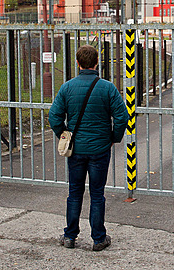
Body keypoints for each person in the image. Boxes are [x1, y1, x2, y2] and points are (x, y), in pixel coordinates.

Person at [49, 44, 128, 251]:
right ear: (97, 62)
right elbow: (122, 117)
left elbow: (54, 116)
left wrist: (65, 135)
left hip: (76, 149)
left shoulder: (67, 87)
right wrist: (113, 137)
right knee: (97, 193)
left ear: (77, 63)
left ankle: (70, 236)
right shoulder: (108, 88)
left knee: (74, 192)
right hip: (100, 149)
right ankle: (98, 238)